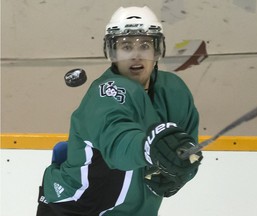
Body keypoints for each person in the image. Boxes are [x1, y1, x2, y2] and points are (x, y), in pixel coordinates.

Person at [36, 6, 203, 216]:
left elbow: (187, 149)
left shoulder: (174, 92)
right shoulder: (105, 92)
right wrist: (148, 148)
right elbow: (117, 140)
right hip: (76, 208)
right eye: (126, 46)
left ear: (157, 50)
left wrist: (180, 172)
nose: (136, 54)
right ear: (112, 53)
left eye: (144, 45)